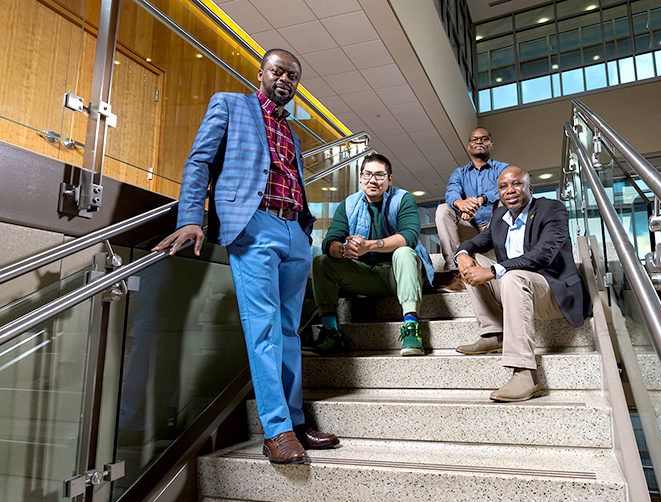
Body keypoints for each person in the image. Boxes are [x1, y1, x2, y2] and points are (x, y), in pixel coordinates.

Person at [152, 49, 338, 464]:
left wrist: (304, 231)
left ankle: (293, 420)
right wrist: (191, 216)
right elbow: (199, 161)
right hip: (253, 225)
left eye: (293, 75)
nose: (285, 79)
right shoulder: (230, 104)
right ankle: (276, 432)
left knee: (290, 331)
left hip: (294, 232)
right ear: (261, 73)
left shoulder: (294, 134)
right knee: (266, 331)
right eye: (278, 71)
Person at [453, 166, 592, 402]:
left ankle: (526, 374)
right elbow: (476, 243)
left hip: (552, 290)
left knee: (512, 275)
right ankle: (494, 333)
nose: (510, 190)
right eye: (503, 187)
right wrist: (462, 255)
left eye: (516, 184)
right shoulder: (499, 217)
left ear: (530, 187)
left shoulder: (552, 209)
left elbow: (543, 254)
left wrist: (494, 270)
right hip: (515, 289)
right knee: (473, 262)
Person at [309, 153, 434, 357]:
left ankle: (411, 329)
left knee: (403, 252)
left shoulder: (403, 199)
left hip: (400, 275)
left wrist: (369, 246)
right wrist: (342, 250)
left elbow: (409, 237)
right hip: (367, 274)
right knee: (322, 262)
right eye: (367, 174)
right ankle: (331, 333)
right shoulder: (348, 205)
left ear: (389, 179)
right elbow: (329, 241)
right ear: (360, 177)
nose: (372, 180)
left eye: (379, 175)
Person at [435, 128, 509, 293]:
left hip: (495, 226)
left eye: (484, 139)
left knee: (507, 201)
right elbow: (451, 193)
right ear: (469, 146)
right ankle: (457, 272)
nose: (479, 142)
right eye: (475, 140)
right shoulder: (459, 173)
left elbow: (507, 187)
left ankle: (509, 266)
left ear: (491, 145)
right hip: (470, 228)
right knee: (443, 209)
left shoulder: (502, 168)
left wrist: (481, 199)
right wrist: (461, 204)